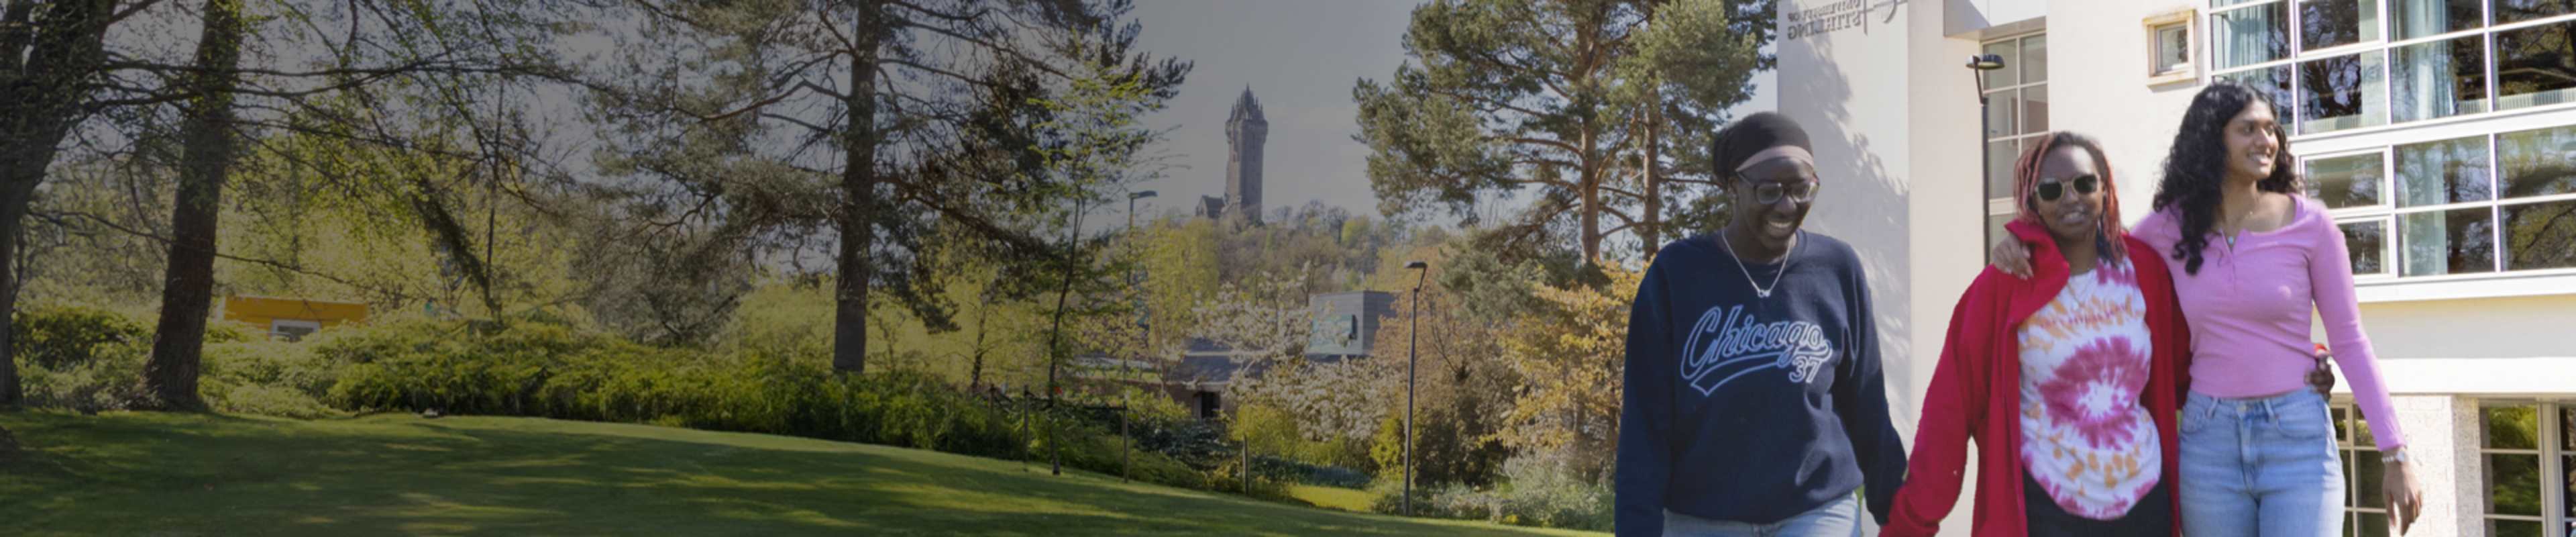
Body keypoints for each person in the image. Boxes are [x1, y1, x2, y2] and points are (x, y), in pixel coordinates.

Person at [1988, 82, 2426, 535]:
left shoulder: (2312, 225)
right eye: (2248, 129)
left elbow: (2351, 340)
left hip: (2298, 440)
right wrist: (2024, 238)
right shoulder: (2164, 230)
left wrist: (2395, 454)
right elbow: (2083, 242)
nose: (2266, 140)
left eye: (2271, 129)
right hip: (2208, 440)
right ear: (2211, 140)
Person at [1884, 132, 2190, 536]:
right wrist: (1911, 525)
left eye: (2084, 183)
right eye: (2051, 189)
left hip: (2143, 506)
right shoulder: (2004, 286)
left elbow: (2186, 372)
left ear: (2105, 188)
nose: (2071, 198)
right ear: (2034, 203)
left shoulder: (2145, 271)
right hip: (2045, 510)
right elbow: (1948, 414)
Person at [1615, 112, 1907, 536]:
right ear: (1733, 188)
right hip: (1702, 517)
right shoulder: (1677, 273)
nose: (1787, 206)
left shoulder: (1837, 267)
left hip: (1816, 510)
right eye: (1768, 191)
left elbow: (1867, 404)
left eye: (1801, 189)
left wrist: (1898, 516)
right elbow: (1646, 422)